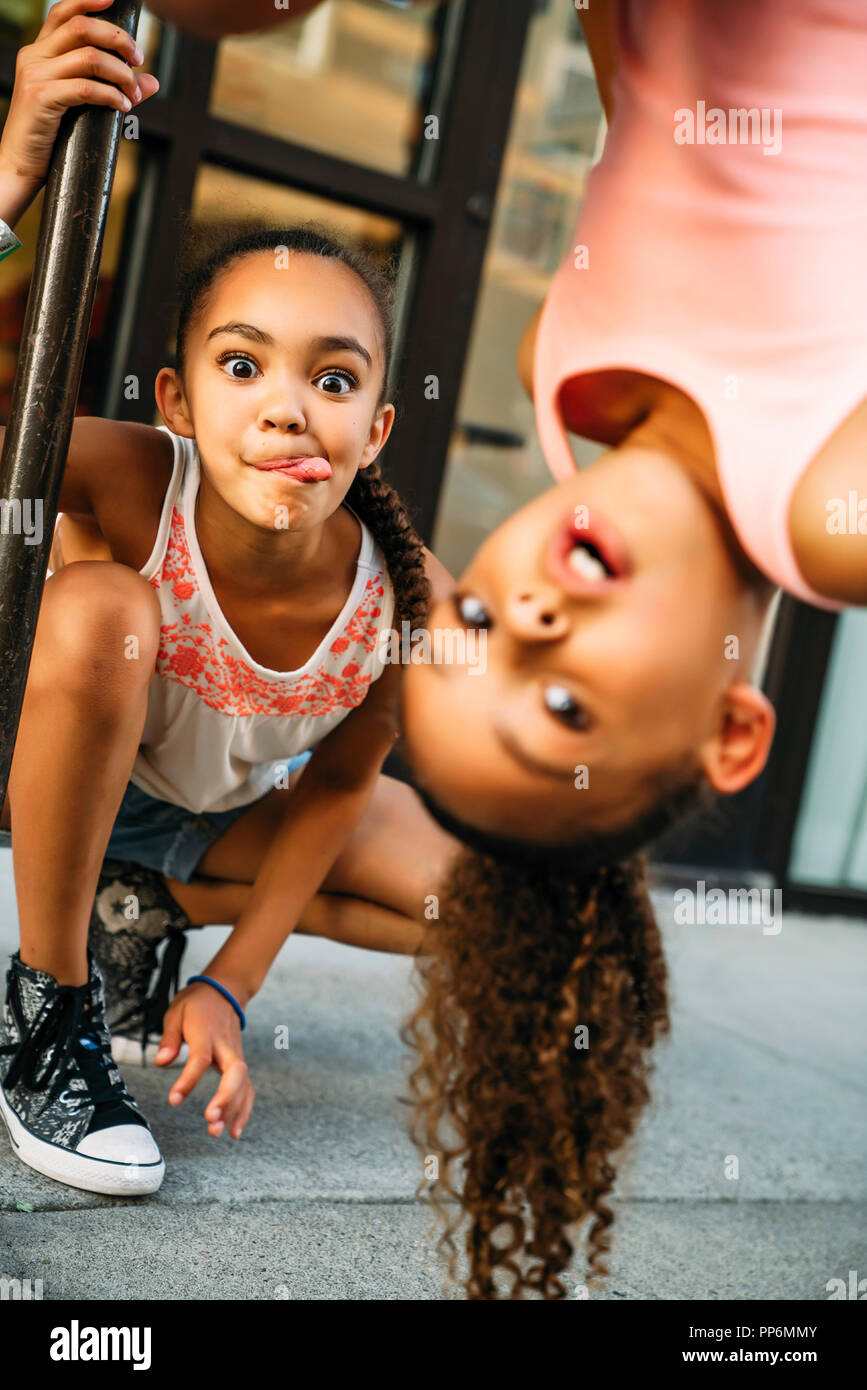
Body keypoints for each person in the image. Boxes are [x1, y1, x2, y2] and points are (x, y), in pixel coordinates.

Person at [0, 0, 458, 1199]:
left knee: (476, 906)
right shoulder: (135, 473)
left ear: (377, 428)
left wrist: (229, 986)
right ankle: (48, 1011)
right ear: (180, 399)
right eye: (243, 364)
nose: (288, 405)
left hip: (200, 830)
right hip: (56, 772)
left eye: (335, 376)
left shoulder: (398, 597)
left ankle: (141, 917)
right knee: (105, 610)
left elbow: (344, 789)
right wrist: (11, 171)